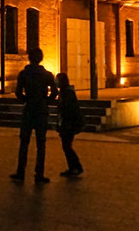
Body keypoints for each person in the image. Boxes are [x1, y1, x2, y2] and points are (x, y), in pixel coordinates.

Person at [10, 48, 57, 185]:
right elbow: (54, 92)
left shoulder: (24, 74)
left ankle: (21, 171)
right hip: (41, 110)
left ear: (29, 58)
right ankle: (39, 173)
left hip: (29, 109)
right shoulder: (47, 75)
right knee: (41, 143)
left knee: (24, 141)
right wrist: (46, 101)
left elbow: (18, 92)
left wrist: (26, 100)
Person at [56, 72, 84, 177]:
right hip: (65, 124)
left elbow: (68, 110)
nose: (56, 82)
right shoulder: (64, 92)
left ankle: (76, 167)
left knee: (67, 146)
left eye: (57, 80)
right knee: (66, 146)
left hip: (68, 125)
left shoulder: (67, 93)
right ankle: (73, 167)